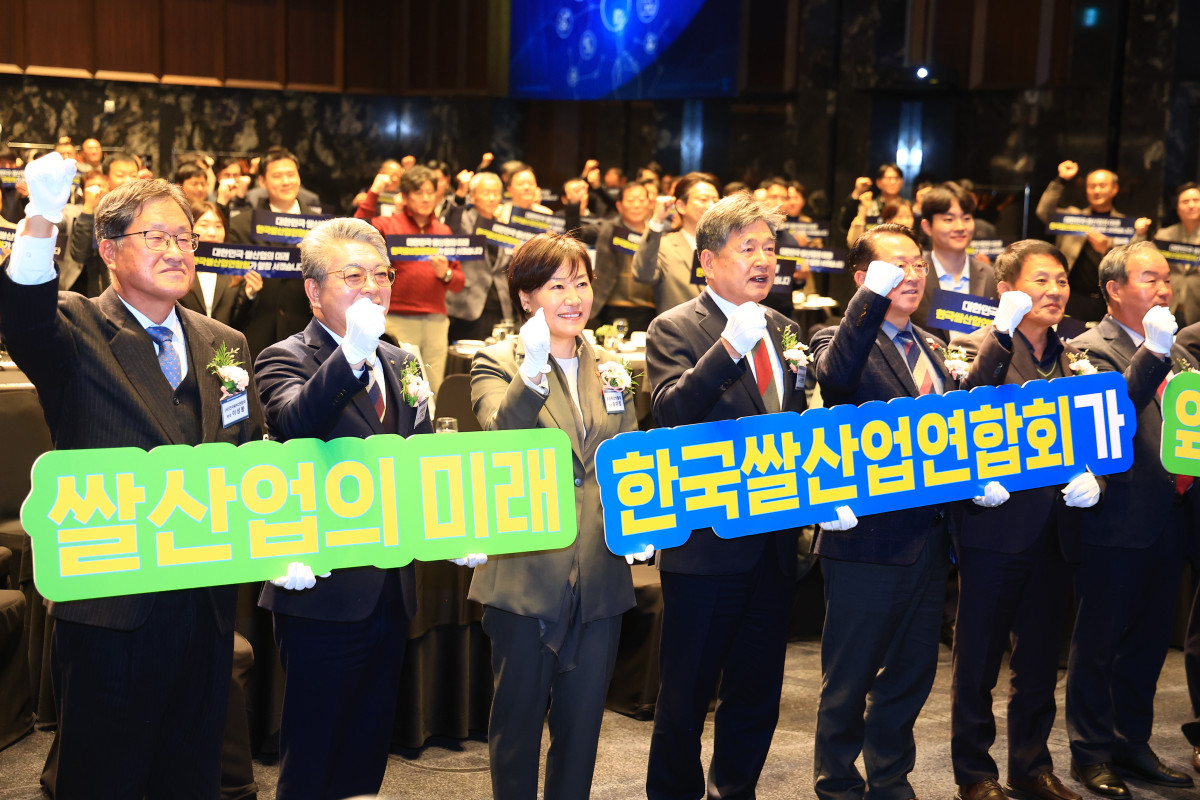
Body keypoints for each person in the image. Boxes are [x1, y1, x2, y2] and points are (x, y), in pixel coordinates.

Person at [0, 154, 265, 799]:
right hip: (114, 605)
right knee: (105, 776)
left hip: (203, 599)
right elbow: (22, 313)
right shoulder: (77, 325)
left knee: (191, 773)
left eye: (185, 237)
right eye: (157, 237)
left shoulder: (223, 339)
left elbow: (247, 447)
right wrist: (39, 218)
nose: (177, 250)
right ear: (110, 250)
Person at [252, 217, 429, 799]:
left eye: (381, 274)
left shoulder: (401, 362)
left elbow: (419, 461)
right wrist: (351, 353)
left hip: (390, 588)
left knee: (364, 754)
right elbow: (297, 422)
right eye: (353, 276)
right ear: (313, 290)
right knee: (313, 755)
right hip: (321, 590)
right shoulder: (284, 357)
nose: (373, 288)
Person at [469, 232, 644, 799]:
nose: (573, 298)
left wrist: (645, 523)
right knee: (515, 731)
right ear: (525, 299)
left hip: (600, 574)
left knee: (582, 733)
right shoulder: (496, 363)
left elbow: (633, 460)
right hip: (526, 574)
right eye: (555, 286)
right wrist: (536, 368)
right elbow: (499, 436)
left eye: (582, 283)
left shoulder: (612, 369)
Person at [644, 193, 808, 799]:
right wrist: (730, 346)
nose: (765, 260)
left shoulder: (787, 329)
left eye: (770, 248)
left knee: (757, 687)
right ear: (708, 261)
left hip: (773, 542)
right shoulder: (675, 327)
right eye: (749, 249)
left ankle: (735, 790)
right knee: (686, 689)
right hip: (706, 542)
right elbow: (669, 412)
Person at [946, 240, 1100, 800]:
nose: (1055, 291)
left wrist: (1096, 478)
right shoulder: (971, 344)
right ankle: (974, 773)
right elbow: (956, 414)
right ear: (1008, 290)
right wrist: (999, 334)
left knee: (1038, 659)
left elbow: (1098, 431)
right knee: (979, 659)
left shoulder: (1074, 354)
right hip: (996, 523)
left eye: (1060, 280)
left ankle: (1032, 766)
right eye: (1041, 281)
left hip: (1058, 524)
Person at [808, 223, 957, 800]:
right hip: (866, 537)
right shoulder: (834, 337)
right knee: (848, 675)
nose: (911, 275)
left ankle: (891, 775)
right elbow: (836, 378)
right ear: (862, 279)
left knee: (912, 672)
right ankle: (838, 781)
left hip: (930, 536)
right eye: (896, 266)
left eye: (917, 265)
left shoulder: (932, 345)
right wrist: (869, 301)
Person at [1065, 241, 1196, 797]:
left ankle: (1131, 742)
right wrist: (1157, 350)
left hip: (1173, 517)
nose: (1163, 289)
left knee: (1147, 643)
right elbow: (1112, 412)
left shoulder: (1183, 356)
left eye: (1167, 279)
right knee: (1100, 641)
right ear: (1114, 289)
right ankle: (1090, 752)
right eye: (1150, 278)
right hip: (1116, 517)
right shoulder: (1089, 349)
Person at [355, 163, 465, 392]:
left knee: (434, 387)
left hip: (436, 320)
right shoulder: (389, 225)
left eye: (430, 192)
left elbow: (458, 282)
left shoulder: (443, 231)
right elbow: (357, 231)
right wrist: (374, 192)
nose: (425, 198)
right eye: (418, 192)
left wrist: (444, 273)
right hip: (398, 318)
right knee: (405, 388)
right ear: (404, 197)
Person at [227, 148, 321, 360]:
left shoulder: (320, 227)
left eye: (291, 175)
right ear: (262, 181)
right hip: (256, 333)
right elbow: (230, 286)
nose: (286, 181)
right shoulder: (242, 224)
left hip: (307, 334)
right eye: (277, 176)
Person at [1035, 162, 1150, 323]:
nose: (1096, 191)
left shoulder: (1125, 225)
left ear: (1114, 189)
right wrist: (1061, 180)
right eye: (1092, 186)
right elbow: (1044, 212)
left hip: (1108, 300)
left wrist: (1107, 250)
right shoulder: (1073, 218)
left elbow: (1133, 266)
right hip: (1072, 297)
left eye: (1102, 186)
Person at [913, 182, 999, 340]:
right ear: (927, 227)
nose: (960, 227)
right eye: (948, 219)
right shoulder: (913, 276)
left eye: (966, 218)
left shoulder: (991, 276)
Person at [565, 180, 655, 329]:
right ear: (619, 206)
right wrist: (574, 204)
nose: (637, 205)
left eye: (641, 200)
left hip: (651, 310)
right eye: (631, 200)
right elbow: (575, 235)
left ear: (649, 203)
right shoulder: (607, 229)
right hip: (612, 308)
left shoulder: (659, 233)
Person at [632, 171, 720, 316]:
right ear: (681, 206)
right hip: (679, 334)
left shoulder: (727, 248)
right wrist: (657, 221)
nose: (711, 206)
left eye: (716, 201)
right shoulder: (664, 246)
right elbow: (642, 274)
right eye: (703, 200)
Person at [446, 171, 513, 342]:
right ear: (473, 197)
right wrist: (460, 195)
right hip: (468, 306)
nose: (492, 198)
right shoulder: (464, 221)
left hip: (500, 305)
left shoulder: (504, 227)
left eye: (496, 193)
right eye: (486, 193)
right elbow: (449, 229)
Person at [1141, 182, 1200, 325]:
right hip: (1167, 308)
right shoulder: (1164, 236)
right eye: (1185, 201)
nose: (1191, 205)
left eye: (1196, 200)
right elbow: (1144, 264)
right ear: (1178, 208)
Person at [839, 163, 905, 242]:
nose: (893, 182)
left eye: (897, 178)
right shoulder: (868, 205)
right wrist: (857, 193)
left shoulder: (906, 208)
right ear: (878, 182)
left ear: (902, 182)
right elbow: (845, 225)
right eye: (889, 178)